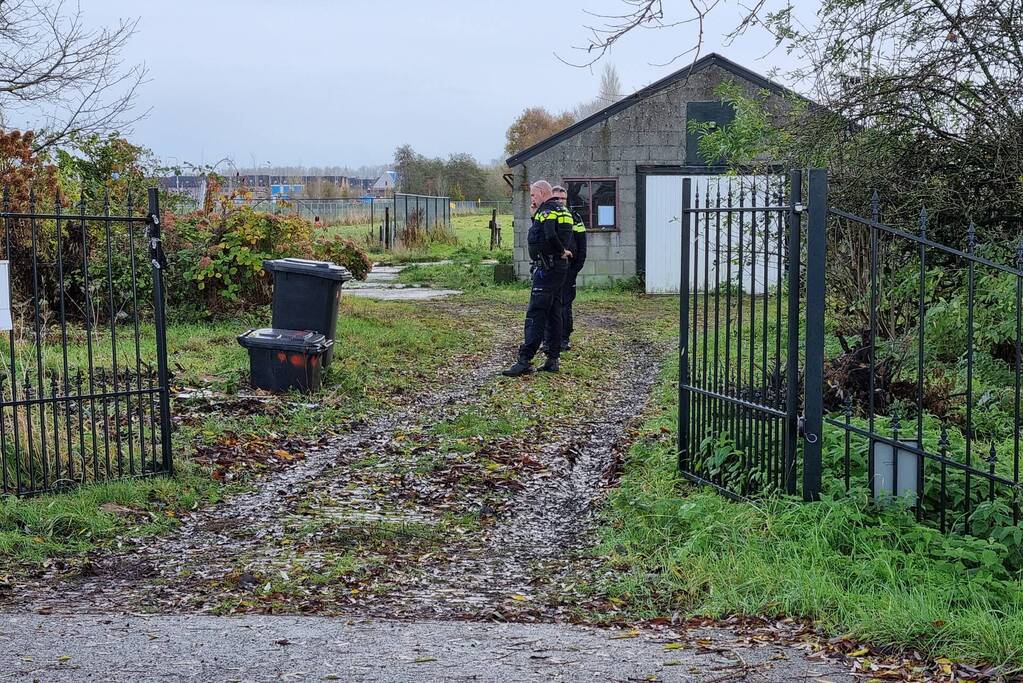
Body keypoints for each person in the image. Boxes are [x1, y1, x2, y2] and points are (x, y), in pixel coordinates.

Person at [502, 180, 573, 377]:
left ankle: (524, 360)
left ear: (542, 192)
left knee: (536, 312)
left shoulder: (547, 211)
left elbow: (549, 235)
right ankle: (552, 359)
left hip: (547, 268)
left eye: (533, 195)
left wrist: (561, 251)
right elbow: (551, 233)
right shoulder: (563, 210)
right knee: (554, 312)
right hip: (557, 269)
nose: (532, 199)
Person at [543, 185, 586, 354]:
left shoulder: (575, 218)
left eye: (563, 199)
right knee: (548, 305)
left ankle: (564, 339)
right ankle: (548, 340)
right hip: (550, 268)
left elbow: (582, 246)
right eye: (557, 198)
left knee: (565, 305)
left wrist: (576, 268)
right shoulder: (547, 216)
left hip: (568, 269)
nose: (560, 202)